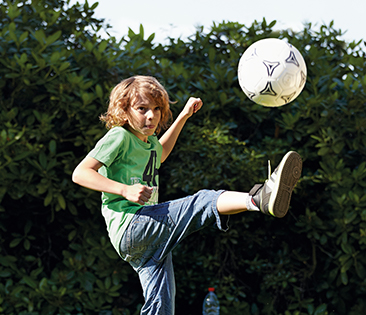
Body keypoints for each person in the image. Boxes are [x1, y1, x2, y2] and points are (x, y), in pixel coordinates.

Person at [72, 75, 302, 314]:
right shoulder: (119, 136)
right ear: (124, 110)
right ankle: (257, 199)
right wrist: (124, 189)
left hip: (141, 238)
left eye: (157, 109)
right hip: (133, 224)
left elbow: (161, 154)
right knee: (202, 201)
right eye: (142, 109)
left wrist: (183, 116)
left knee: (161, 306)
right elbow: (80, 173)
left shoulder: (148, 142)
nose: (151, 116)